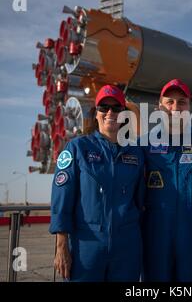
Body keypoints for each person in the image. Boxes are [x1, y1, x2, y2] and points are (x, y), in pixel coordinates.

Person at [49, 84, 145, 282]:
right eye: (104, 108)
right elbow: (62, 197)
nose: (110, 112)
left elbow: (141, 200)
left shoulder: (136, 154)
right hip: (87, 246)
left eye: (116, 108)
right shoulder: (77, 149)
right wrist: (61, 246)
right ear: (96, 113)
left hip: (127, 247)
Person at [141, 79, 192, 282]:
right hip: (155, 232)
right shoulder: (142, 144)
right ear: (159, 107)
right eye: (169, 102)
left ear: (189, 107)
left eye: (181, 102)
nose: (175, 108)